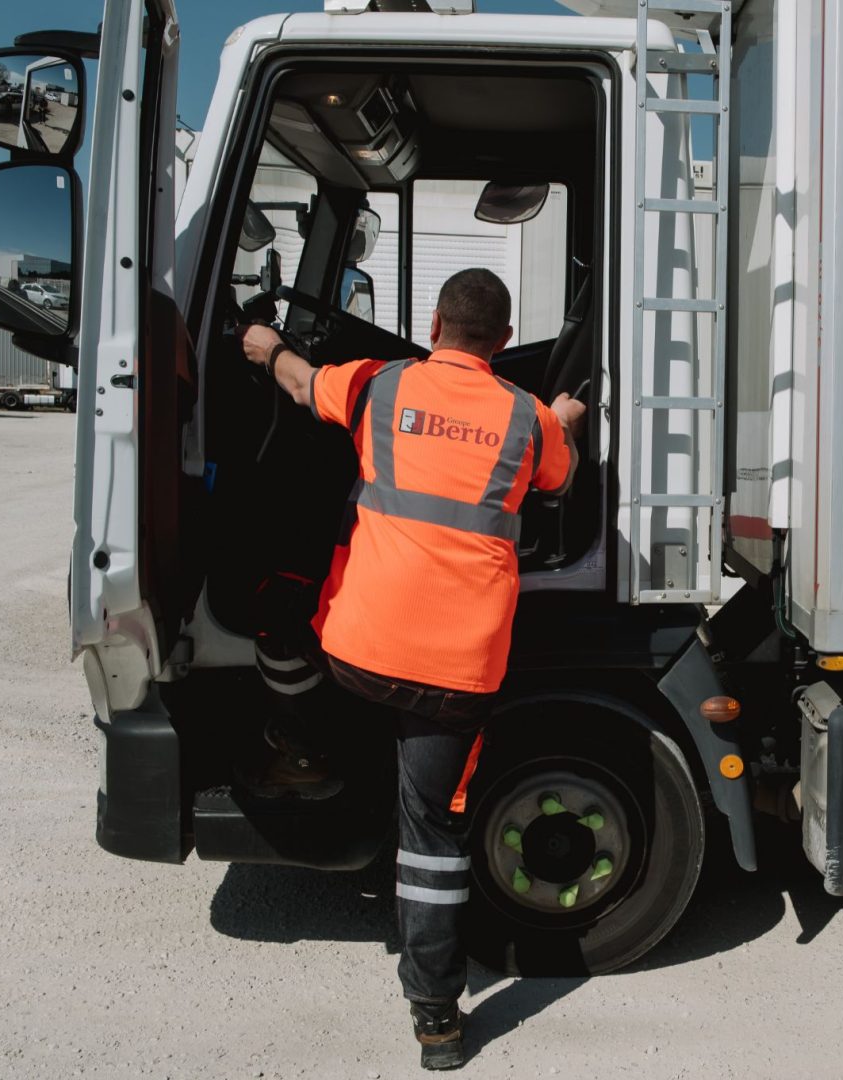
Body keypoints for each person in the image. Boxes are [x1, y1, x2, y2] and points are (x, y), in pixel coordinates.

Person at [238, 267, 587, 1071]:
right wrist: (560, 415)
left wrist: (264, 347)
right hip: (457, 675)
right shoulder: (526, 418)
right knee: (432, 834)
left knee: (283, 630)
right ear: (501, 343)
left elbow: (299, 383)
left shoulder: (379, 384)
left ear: (434, 323)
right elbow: (557, 476)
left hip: (360, 653)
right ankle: (436, 1022)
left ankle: (306, 745)